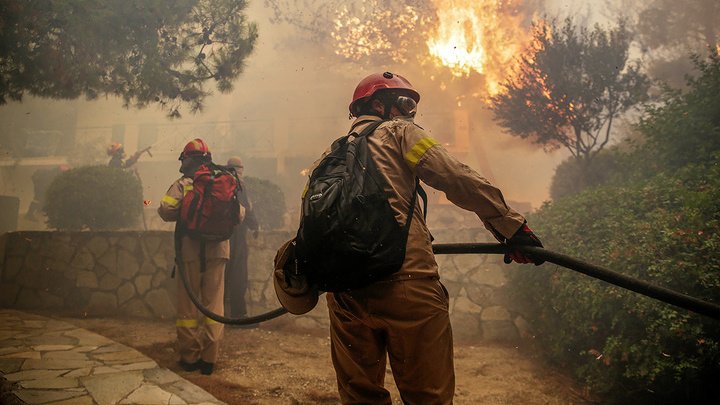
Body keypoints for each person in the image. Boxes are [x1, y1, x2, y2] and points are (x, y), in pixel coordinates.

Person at [275, 72, 544, 404]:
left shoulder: (325, 160)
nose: (410, 111)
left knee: (360, 397)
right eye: (405, 103)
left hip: (345, 295)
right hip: (406, 283)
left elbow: (308, 223)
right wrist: (512, 228)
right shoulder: (400, 132)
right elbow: (454, 176)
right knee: (427, 396)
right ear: (379, 104)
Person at [157, 138, 231, 376]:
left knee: (188, 307)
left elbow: (166, 211)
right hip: (218, 251)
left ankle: (189, 357)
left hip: (189, 250)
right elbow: (239, 214)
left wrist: (188, 212)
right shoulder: (223, 180)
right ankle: (209, 359)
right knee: (214, 305)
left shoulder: (183, 184)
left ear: (188, 159)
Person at [224, 156, 259, 321]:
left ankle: (219, 315)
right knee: (238, 274)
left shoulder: (220, 182)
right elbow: (246, 209)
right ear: (239, 169)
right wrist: (255, 226)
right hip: (237, 235)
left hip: (221, 235)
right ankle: (238, 314)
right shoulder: (239, 184)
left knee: (222, 276)